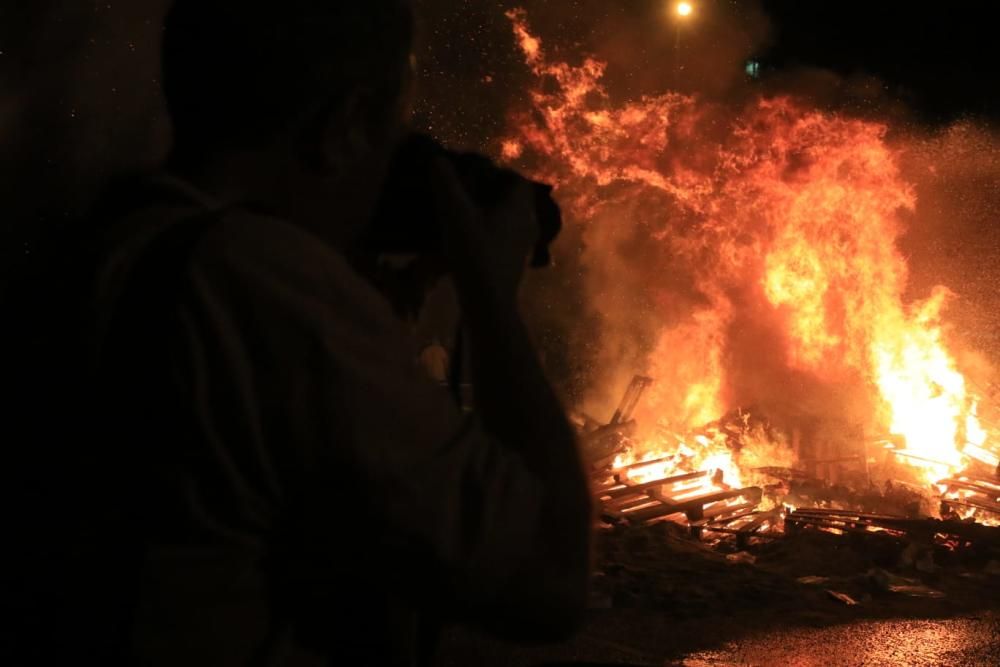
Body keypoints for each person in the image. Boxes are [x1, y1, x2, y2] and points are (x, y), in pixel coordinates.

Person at [69, 1, 592, 665]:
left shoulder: (111, 239)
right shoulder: (265, 286)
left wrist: (373, 308)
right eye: (391, 127)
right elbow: (548, 574)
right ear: (342, 125)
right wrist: (490, 292)